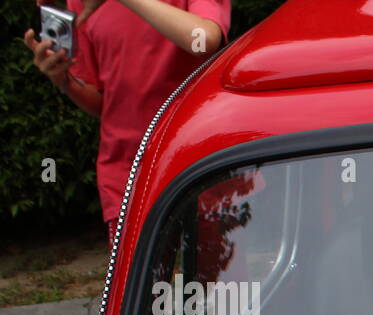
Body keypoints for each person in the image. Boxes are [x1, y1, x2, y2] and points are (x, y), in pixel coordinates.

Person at [25, 1, 232, 244]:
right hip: (127, 172)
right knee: (134, 280)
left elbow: (204, 40)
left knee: (217, 280)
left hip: (200, 160)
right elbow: (102, 101)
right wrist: (65, 81)